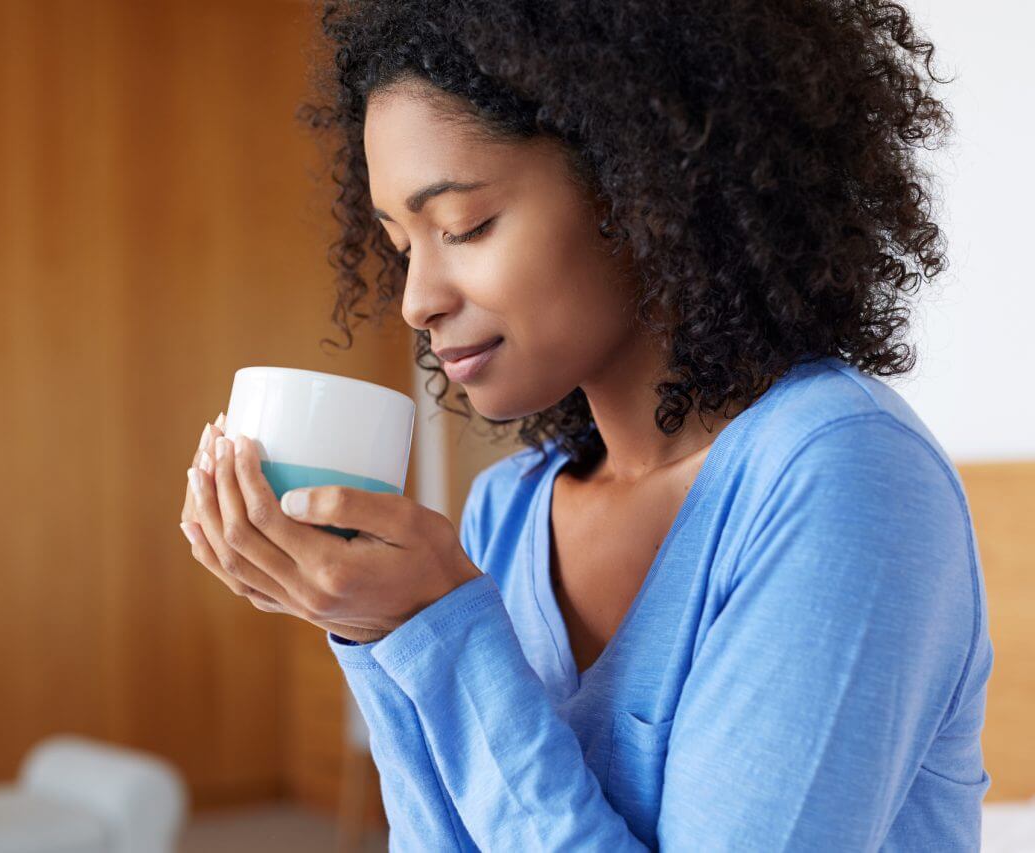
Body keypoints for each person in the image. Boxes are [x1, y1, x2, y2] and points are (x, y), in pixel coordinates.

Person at [179, 0, 992, 848]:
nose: (416, 300)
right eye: (401, 247)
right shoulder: (508, 510)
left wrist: (438, 630)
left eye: (464, 226)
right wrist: (375, 625)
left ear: (642, 179)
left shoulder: (843, 474)